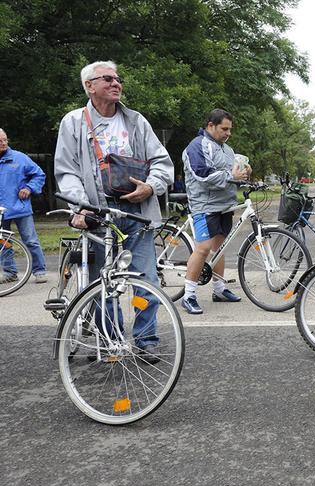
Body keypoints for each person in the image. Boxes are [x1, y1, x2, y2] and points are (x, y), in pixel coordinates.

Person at [55, 60, 173, 360]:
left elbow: (161, 161)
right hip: (97, 212)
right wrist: (81, 207)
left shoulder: (136, 121)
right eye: (107, 79)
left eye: (118, 78)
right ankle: (111, 341)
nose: (115, 83)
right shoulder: (73, 122)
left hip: (137, 211)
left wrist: (151, 187)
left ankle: (146, 341)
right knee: (102, 283)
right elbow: (67, 171)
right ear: (89, 86)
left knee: (145, 280)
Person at [180, 109, 250, 315]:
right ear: (211, 125)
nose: (228, 133)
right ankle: (189, 295)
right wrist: (231, 175)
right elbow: (201, 173)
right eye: (224, 129)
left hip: (224, 206)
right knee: (203, 249)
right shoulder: (197, 145)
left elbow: (233, 173)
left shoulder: (227, 149)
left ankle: (219, 290)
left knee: (219, 247)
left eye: (230, 129)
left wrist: (244, 173)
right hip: (204, 205)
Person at [0, 128, 48, 283]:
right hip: (1, 211)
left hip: (20, 208)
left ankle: (39, 270)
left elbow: (39, 174)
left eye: (5, 140)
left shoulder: (20, 158)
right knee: (3, 243)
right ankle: (10, 273)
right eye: (0, 141)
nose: (3, 143)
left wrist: (29, 188)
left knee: (31, 241)